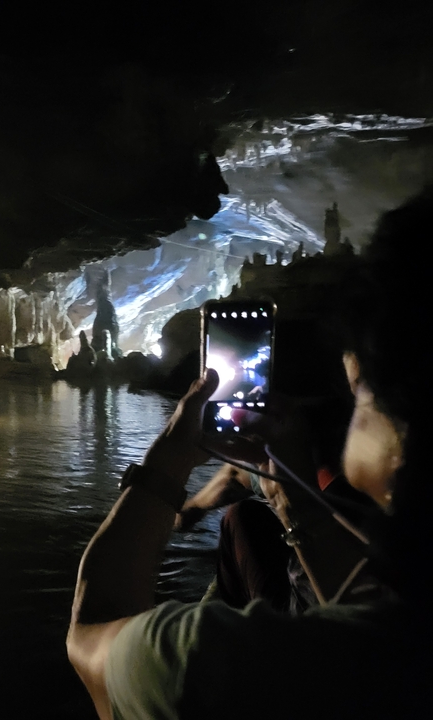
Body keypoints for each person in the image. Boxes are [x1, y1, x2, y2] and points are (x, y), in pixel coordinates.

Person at [66, 192, 432, 719]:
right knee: (246, 521)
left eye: (359, 393)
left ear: (404, 434)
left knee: (240, 525)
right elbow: (365, 607)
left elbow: (90, 634)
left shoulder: (214, 666)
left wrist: (168, 460)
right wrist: (295, 505)